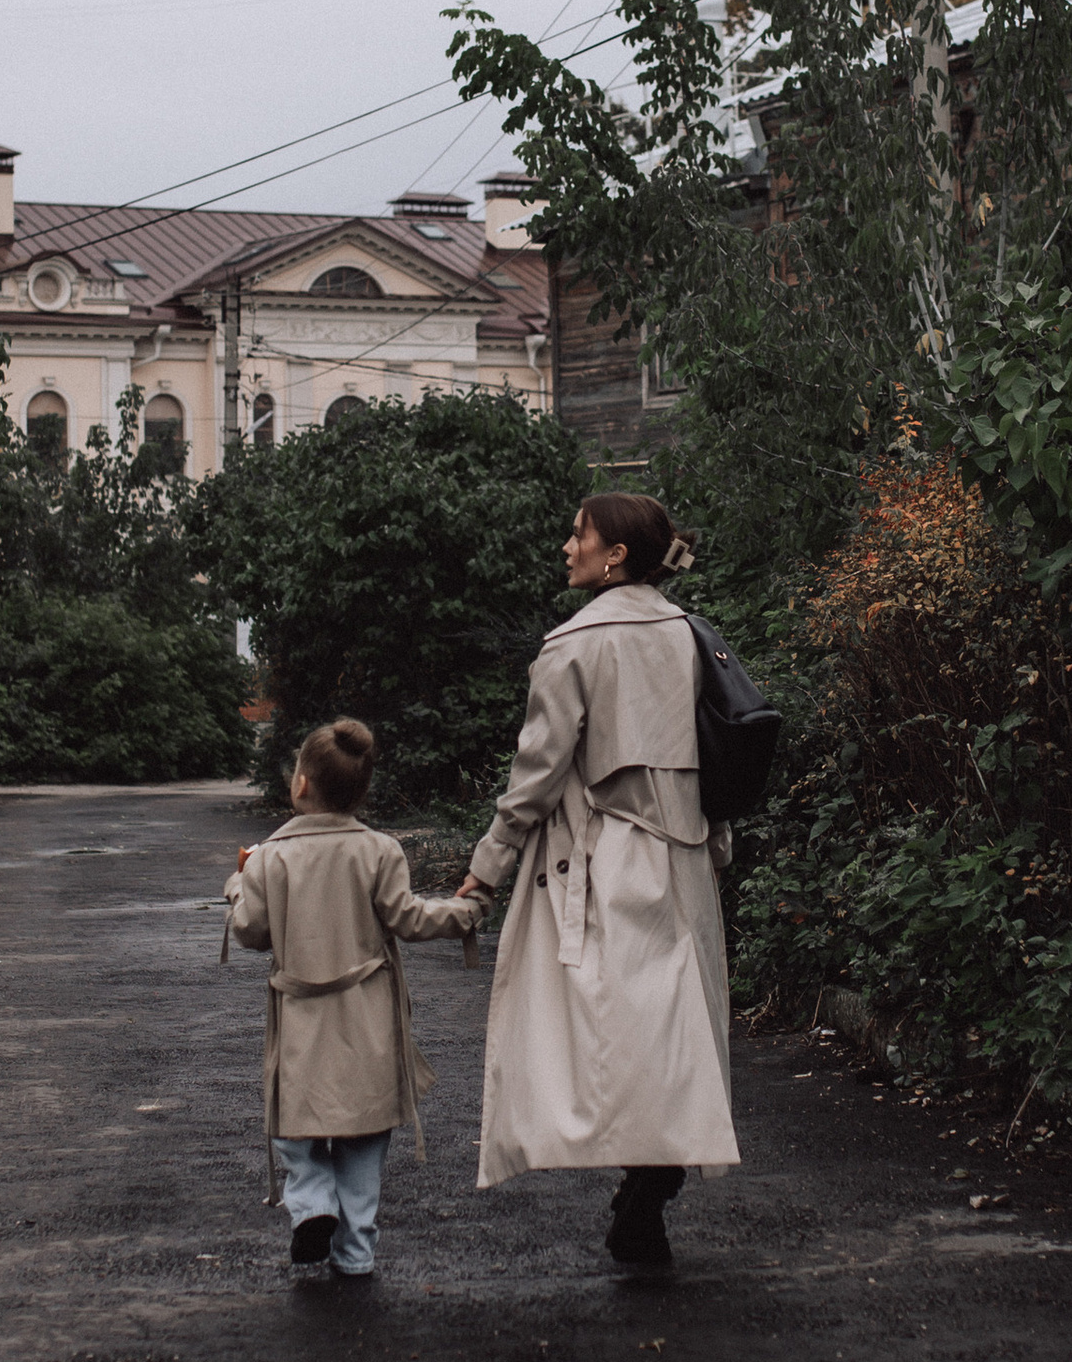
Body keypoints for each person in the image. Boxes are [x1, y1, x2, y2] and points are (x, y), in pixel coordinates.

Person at [454, 493, 736, 1272]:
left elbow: (535, 777)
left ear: (613, 553)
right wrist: (717, 838)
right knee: (676, 1035)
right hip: (683, 857)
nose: (566, 545)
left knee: (603, 1034)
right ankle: (653, 1186)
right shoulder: (688, 635)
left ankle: (643, 1190)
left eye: (578, 533)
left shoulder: (572, 645)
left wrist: (487, 867)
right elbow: (714, 751)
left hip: (603, 859)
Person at [225, 716, 479, 1277]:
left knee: (295, 1119)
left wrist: (238, 885)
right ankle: (357, 1253)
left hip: (300, 1014)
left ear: (299, 785)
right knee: (365, 1134)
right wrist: (466, 912)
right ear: (361, 791)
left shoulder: (269, 857)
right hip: (367, 1012)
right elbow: (409, 919)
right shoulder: (381, 851)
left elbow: (251, 932)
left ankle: (312, 1204)